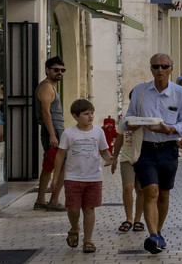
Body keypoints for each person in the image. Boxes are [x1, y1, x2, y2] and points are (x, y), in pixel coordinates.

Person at [126, 52, 182, 255]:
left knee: (164, 194)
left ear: (171, 69)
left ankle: (158, 230)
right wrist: (131, 123)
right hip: (145, 149)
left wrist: (171, 130)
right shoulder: (140, 91)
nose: (160, 70)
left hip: (168, 149)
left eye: (164, 67)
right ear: (151, 69)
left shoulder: (181, 93)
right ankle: (153, 235)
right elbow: (128, 116)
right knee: (151, 191)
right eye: (156, 66)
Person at [52, 98, 117, 254]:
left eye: (92, 113)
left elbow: (103, 150)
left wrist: (108, 158)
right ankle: (74, 228)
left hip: (94, 177)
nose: (91, 117)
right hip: (73, 178)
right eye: (86, 114)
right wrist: (55, 179)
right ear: (76, 116)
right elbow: (60, 155)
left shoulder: (98, 132)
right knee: (73, 209)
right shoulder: (68, 133)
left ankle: (88, 241)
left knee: (89, 209)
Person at [33, 56, 68, 211]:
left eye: (62, 70)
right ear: (47, 70)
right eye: (56, 70)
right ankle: (53, 201)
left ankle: (40, 200)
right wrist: (53, 135)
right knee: (63, 165)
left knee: (49, 166)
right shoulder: (46, 87)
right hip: (53, 131)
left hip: (55, 130)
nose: (59, 72)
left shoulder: (51, 87)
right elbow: (45, 112)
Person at [117, 103, 146, 235]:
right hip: (126, 158)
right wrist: (113, 158)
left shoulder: (148, 119)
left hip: (143, 158)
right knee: (127, 187)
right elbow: (119, 137)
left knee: (141, 190)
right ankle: (128, 218)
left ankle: (137, 219)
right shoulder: (126, 119)